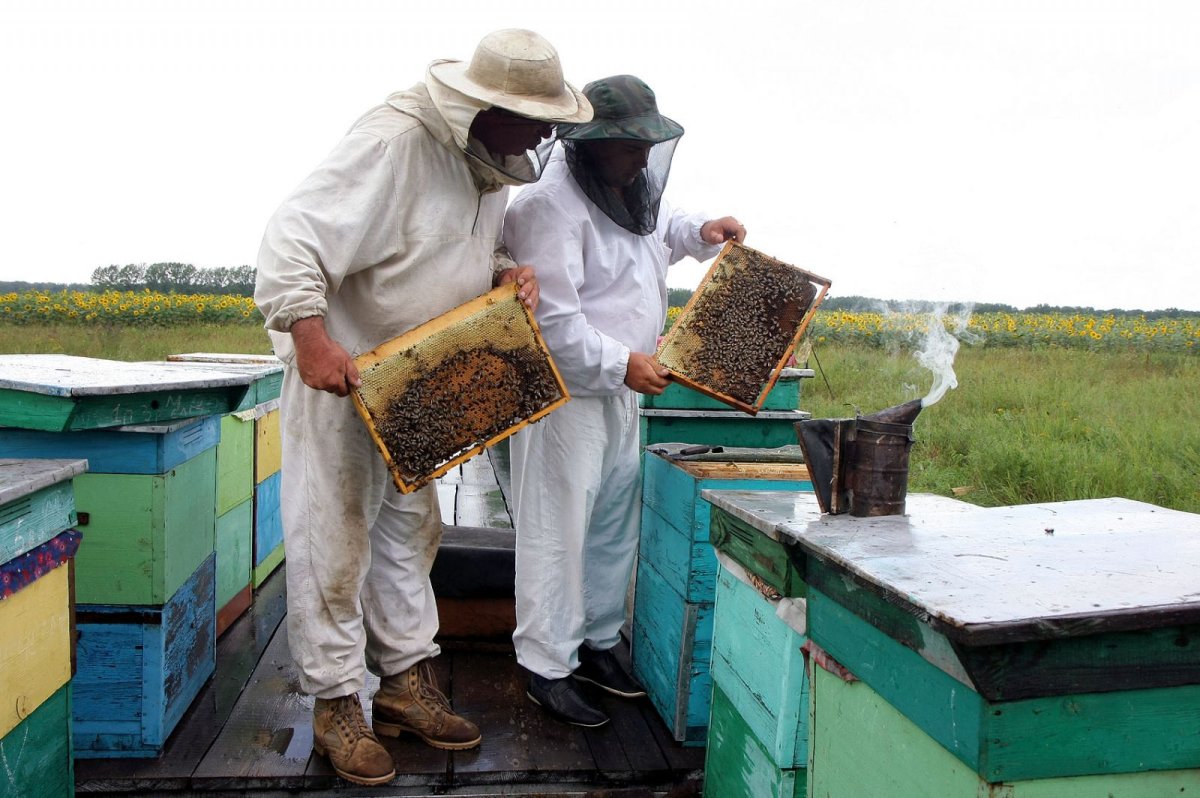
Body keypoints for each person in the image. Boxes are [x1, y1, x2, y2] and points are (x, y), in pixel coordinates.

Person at [253, 30, 592, 785]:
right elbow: (290, 237)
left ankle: (405, 684)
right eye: (530, 118)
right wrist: (310, 336)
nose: (541, 135)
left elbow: (451, 254)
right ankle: (338, 700)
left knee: (411, 536)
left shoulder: (492, 165)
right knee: (333, 541)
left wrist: (507, 276)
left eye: (548, 120)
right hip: (345, 377)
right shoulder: (393, 144)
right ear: (483, 106)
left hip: (423, 384)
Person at [502, 75, 745, 727]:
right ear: (591, 142)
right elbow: (551, 324)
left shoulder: (629, 188)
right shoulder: (546, 209)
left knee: (612, 522)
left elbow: (665, 230)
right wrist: (620, 363)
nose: (642, 158)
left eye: (647, 145)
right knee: (558, 531)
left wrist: (706, 230)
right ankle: (545, 666)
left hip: (620, 393)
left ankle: (597, 640)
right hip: (565, 400)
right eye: (629, 146)